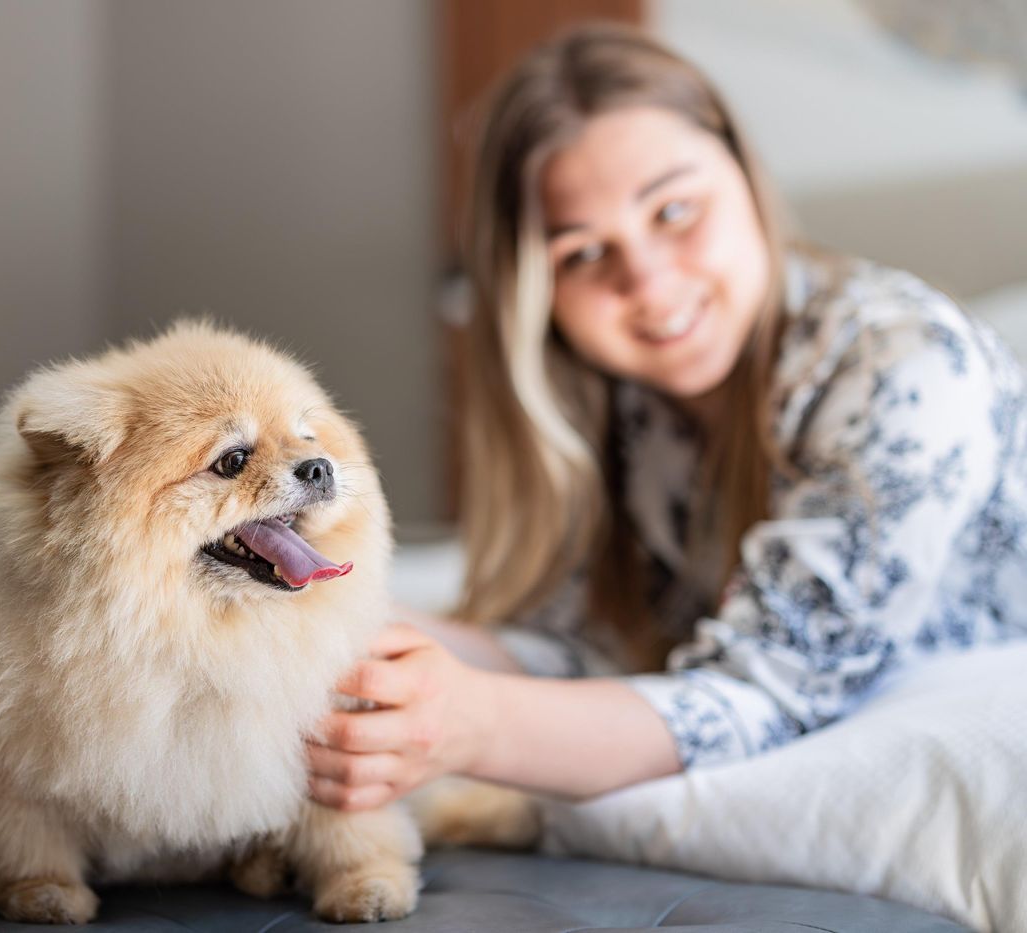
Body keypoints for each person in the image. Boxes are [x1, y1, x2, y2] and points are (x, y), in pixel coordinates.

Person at [306, 22, 1027, 811]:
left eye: (675, 211)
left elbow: (766, 697)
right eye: (584, 253)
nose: (647, 284)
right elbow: (577, 652)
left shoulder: (907, 374)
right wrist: (334, 615)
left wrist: (471, 726)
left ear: (746, 175)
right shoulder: (622, 401)